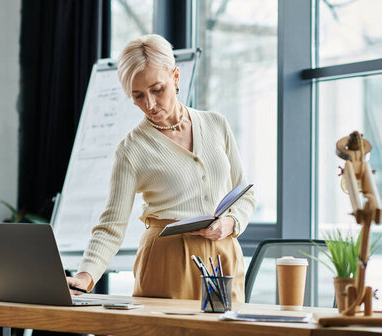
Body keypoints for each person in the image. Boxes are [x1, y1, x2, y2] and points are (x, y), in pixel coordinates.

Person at [66, 34, 255, 302]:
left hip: (223, 257)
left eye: (157, 90)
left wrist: (232, 222)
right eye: (138, 95)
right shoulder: (131, 150)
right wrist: (86, 276)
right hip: (166, 260)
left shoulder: (216, 124)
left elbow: (244, 193)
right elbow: (111, 225)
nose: (150, 105)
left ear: (175, 77)